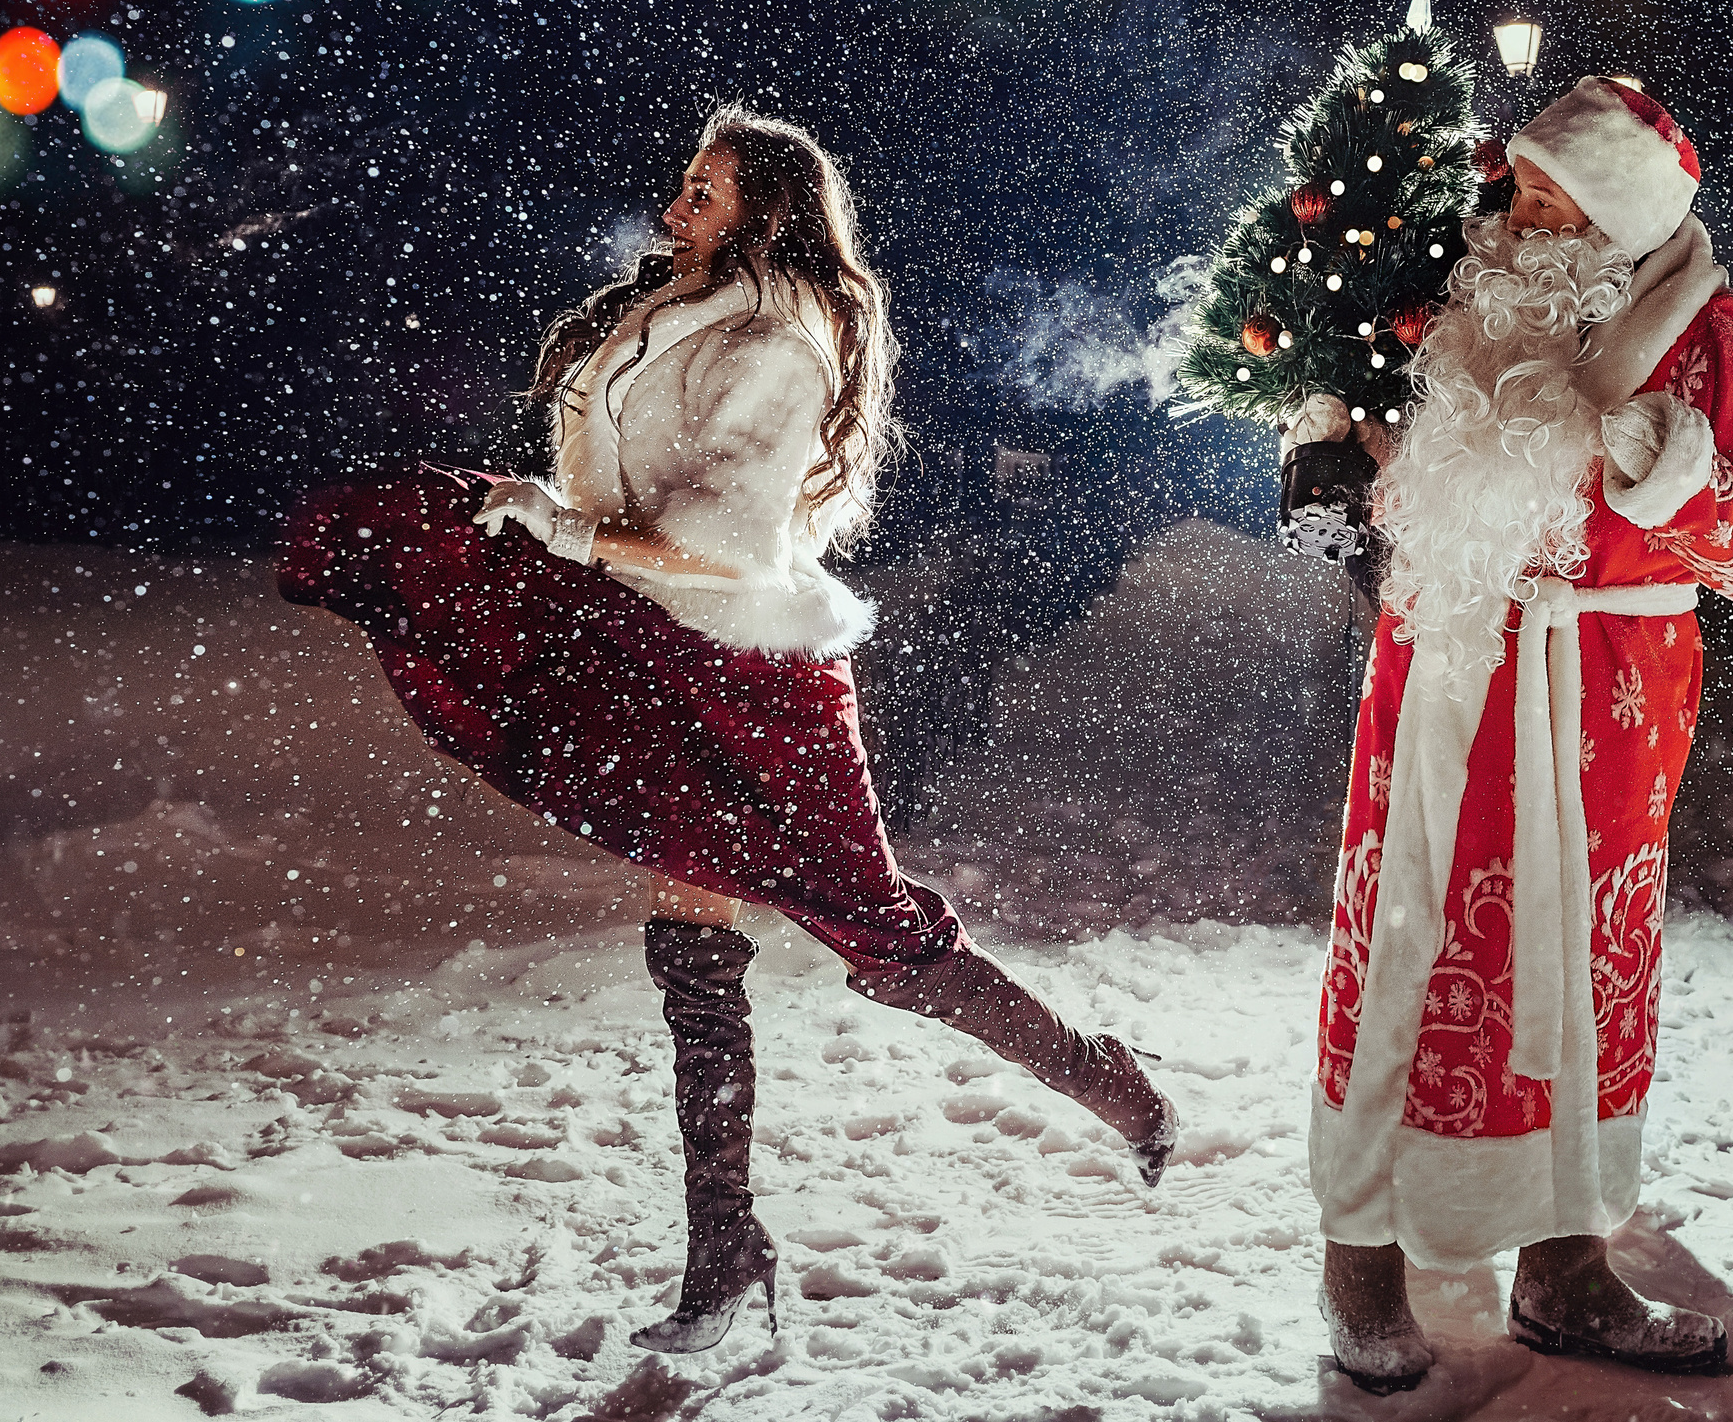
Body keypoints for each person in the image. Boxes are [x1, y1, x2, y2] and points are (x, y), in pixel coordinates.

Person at [277, 105, 1176, 1356]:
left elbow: (722, 542)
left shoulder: (778, 347)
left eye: (704, 193)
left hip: (752, 673)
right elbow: (615, 496)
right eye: (684, 187)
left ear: (764, 213)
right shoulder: (671, 311)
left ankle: (1105, 1078)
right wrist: (538, 509)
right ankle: (726, 1252)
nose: (675, 208)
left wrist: (563, 531)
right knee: (690, 941)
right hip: (653, 636)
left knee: (888, 945)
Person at [1308, 77, 1733, 1391]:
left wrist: (1681, 477)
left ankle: (1564, 1269)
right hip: (1438, 671)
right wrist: (1324, 452)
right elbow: (1372, 424)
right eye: (1525, 181)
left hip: (1600, 694)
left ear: (1627, 211)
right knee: (1407, 952)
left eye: (1556, 191)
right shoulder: (1448, 301)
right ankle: (1361, 1256)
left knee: (1574, 981)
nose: (1522, 207)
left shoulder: (1722, 340)